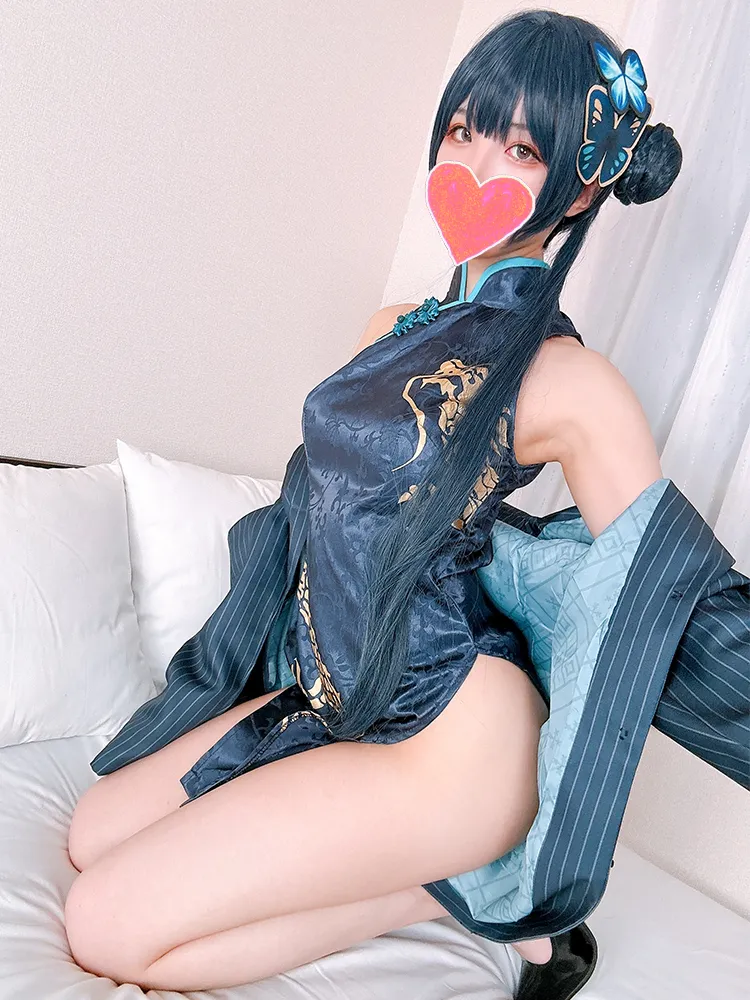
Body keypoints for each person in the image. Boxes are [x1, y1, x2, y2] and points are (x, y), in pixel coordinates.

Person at [64, 10, 697, 998]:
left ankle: (457, 891)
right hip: (345, 693)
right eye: (464, 130)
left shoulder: (572, 383)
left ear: (581, 186)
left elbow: (665, 600)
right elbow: (332, 513)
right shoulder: (390, 325)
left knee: (103, 927)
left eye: (521, 149)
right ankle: (443, 871)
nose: (474, 165)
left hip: (458, 735)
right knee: (90, 832)